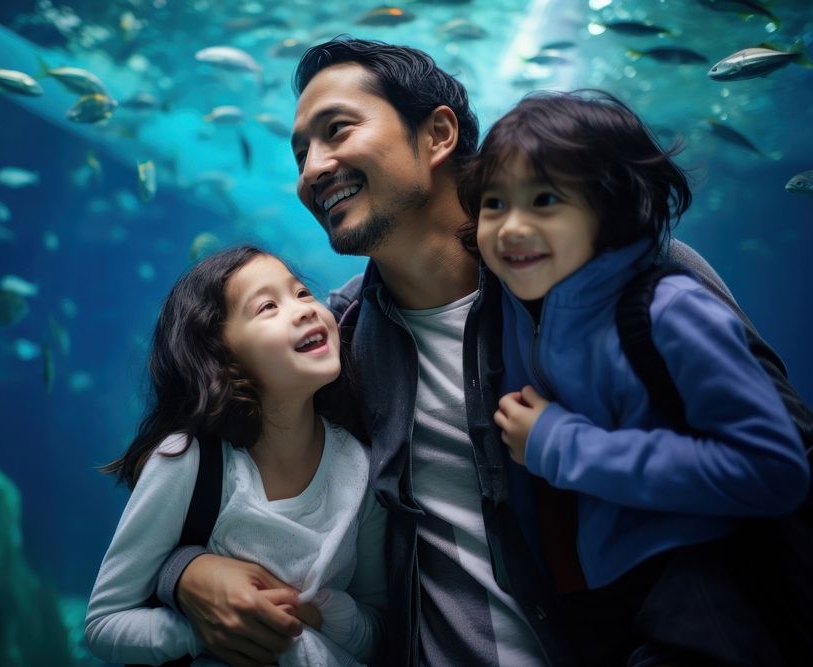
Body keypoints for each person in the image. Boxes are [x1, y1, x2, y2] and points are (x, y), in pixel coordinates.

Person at [153, 37, 800, 667]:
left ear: (438, 134)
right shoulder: (335, 339)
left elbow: (786, 451)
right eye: (300, 154)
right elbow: (219, 478)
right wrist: (186, 570)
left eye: (337, 130)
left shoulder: (625, 275)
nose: (312, 170)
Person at [460, 89, 809, 665]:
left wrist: (557, 442)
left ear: (614, 207)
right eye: (494, 203)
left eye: (544, 199)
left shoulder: (668, 309)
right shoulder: (546, 316)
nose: (510, 227)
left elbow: (772, 468)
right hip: (621, 601)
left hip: (702, 586)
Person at [84, 246, 387, 666]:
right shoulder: (188, 461)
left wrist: (319, 615)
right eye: (267, 306)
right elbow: (104, 623)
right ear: (222, 358)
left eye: (301, 293)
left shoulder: (360, 469)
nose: (303, 310)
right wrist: (203, 631)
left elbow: (378, 629)